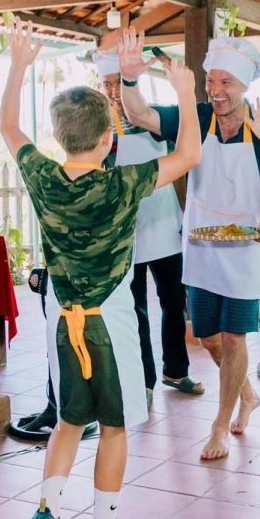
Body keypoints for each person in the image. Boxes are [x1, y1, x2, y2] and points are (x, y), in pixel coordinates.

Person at [0, 21, 200, 519]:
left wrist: (18, 67)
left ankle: (46, 510)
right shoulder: (121, 183)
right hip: (110, 321)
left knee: (69, 421)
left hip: (64, 318)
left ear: (59, 136)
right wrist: (184, 93)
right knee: (113, 428)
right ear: (110, 140)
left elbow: (10, 127)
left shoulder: (41, 176)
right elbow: (186, 157)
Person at [119, 31, 260, 460]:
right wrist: (128, 81)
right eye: (211, 82)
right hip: (200, 246)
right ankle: (247, 392)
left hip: (245, 252)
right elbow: (141, 116)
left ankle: (219, 425)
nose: (216, 92)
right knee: (209, 339)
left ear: (245, 86)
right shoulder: (195, 116)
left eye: (226, 84)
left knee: (234, 341)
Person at [93, 49, 203, 403]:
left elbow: (180, 152)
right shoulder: (97, 126)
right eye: (107, 84)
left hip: (164, 219)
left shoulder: (152, 116)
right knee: (136, 305)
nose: (113, 90)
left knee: (174, 300)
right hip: (127, 227)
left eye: (117, 82)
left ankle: (177, 370)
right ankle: (144, 379)